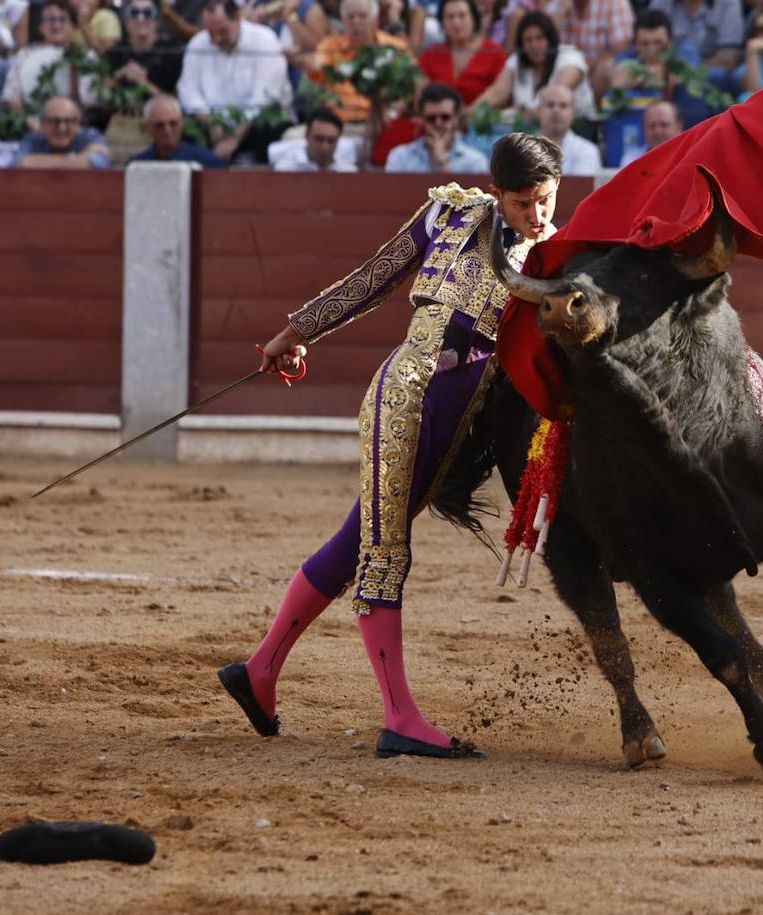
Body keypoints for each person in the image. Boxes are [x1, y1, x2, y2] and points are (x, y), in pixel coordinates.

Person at [218, 133, 564, 760]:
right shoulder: (451, 213)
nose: (535, 216)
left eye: (544, 200)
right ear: (496, 194)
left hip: (452, 422)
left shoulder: (555, 254)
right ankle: (399, 717)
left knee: (356, 541)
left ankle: (260, 670)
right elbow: (372, 280)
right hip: (405, 399)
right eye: (520, 204)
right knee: (383, 552)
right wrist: (292, 335)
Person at [176, 0, 294, 162]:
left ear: (238, 17)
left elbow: (264, 98)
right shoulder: (198, 44)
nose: (217, 39)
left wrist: (235, 137)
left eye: (223, 31)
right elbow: (189, 93)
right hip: (212, 125)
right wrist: (211, 122)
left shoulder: (265, 41)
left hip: (255, 125)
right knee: (182, 133)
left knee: (273, 130)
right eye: (211, 33)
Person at [301, 0, 411, 124]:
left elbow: (409, 86)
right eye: (350, 17)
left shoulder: (394, 46)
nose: (356, 22)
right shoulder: (329, 46)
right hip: (339, 125)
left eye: (362, 16)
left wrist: (390, 116)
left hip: (383, 122)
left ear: (376, 19)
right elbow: (314, 72)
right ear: (343, 21)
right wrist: (308, 65)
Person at [473, 10, 594, 118]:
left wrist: (520, 113)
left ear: (550, 39)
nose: (534, 45)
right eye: (528, 40)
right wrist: (469, 112)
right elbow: (496, 93)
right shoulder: (517, 59)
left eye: (540, 38)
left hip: (577, 132)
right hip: (531, 135)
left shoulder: (569, 56)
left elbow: (558, 94)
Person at [1, 0, 101, 127]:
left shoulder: (86, 56)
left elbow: (88, 103)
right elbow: (11, 98)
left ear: (73, 25)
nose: (56, 25)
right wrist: (33, 124)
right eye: (50, 20)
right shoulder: (25, 54)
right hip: (33, 127)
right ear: (41, 27)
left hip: (73, 127)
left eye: (62, 19)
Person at [416, 0, 507, 105]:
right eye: (450, 17)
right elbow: (420, 95)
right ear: (442, 22)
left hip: (480, 119)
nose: (456, 23)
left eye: (462, 16)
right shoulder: (430, 54)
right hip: (438, 118)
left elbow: (501, 94)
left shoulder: (495, 53)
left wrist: (471, 113)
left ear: (473, 18)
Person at [386, 81, 490, 171]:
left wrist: (441, 161)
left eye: (445, 117)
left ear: (456, 118)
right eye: (431, 118)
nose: (438, 123)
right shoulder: (400, 156)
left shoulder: (475, 161)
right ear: (422, 118)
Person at [106, 0, 184, 100]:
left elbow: (176, 105)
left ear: (157, 21)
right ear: (125, 20)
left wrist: (143, 83)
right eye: (134, 13)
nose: (140, 19)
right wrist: (119, 76)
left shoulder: (171, 54)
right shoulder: (115, 52)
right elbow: (103, 100)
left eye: (148, 13)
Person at [646, 0, 743, 74]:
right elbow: (646, 42)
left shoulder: (728, 3)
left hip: (708, 76)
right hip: (665, 70)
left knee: (717, 75)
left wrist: (688, 75)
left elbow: (729, 58)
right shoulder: (661, 3)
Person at [15, 94, 112, 167]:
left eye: (68, 121)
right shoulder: (33, 140)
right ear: (42, 124)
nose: (62, 128)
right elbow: (23, 163)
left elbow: (99, 163)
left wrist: (40, 162)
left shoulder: (91, 137)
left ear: (78, 124)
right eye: (54, 121)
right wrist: (79, 160)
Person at [128, 92, 226, 164]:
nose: (167, 131)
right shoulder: (138, 165)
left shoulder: (207, 162)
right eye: (160, 125)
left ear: (182, 123)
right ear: (148, 128)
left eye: (173, 124)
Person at [537, 82, 598, 174]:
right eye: (550, 105)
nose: (556, 110)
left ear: (573, 112)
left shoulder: (588, 151)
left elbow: (581, 186)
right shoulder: (523, 150)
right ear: (539, 111)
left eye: (563, 105)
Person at [273, 105, 356, 170]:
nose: (325, 147)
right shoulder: (286, 169)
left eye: (331, 141)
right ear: (307, 135)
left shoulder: (348, 171)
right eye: (319, 139)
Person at [616, 96, 682, 165]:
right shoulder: (631, 161)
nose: (657, 131)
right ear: (643, 129)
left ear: (679, 126)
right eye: (652, 126)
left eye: (664, 125)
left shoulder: (690, 158)